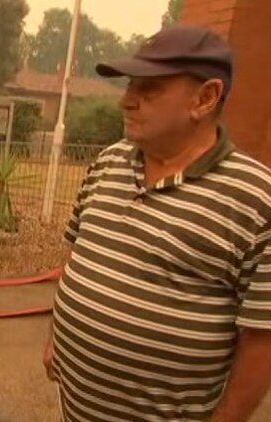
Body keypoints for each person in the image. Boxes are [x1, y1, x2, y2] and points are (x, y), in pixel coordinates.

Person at [43, 24, 271, 422]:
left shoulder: (255, 199)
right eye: (130, 86)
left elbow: (262, 339)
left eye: (148, 89)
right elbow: (79, 257)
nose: (126, 101)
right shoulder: (108, 162)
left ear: (205, 97)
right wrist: (56, 336)